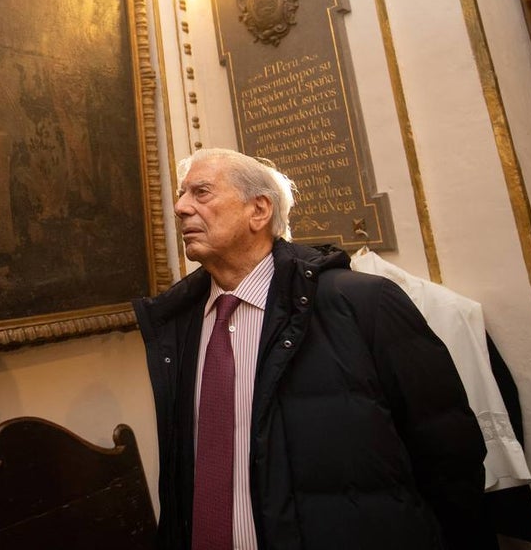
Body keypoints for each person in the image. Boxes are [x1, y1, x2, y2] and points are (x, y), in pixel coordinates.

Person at [133, 148, 492, 550]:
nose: (180, 208)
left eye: (201, 193)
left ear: (259, 210)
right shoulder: (177, 326)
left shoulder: (362, 304)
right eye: (182, 195)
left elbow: (448, 455)